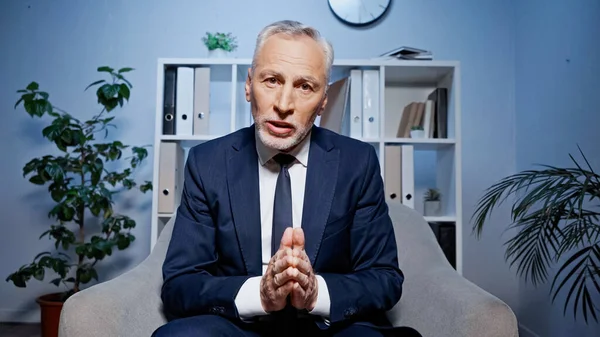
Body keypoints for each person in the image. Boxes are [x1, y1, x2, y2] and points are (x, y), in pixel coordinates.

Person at [152, 20, 421, 337]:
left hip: (329, 328)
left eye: (305, 86)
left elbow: (384, 278)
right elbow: (180, 283)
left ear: (323, 101)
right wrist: (260, 295)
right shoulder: (206, 163)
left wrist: (315, 292)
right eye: (271, 81)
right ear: (249, 85)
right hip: (240, 326)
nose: (283, 104)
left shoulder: (357, 163)